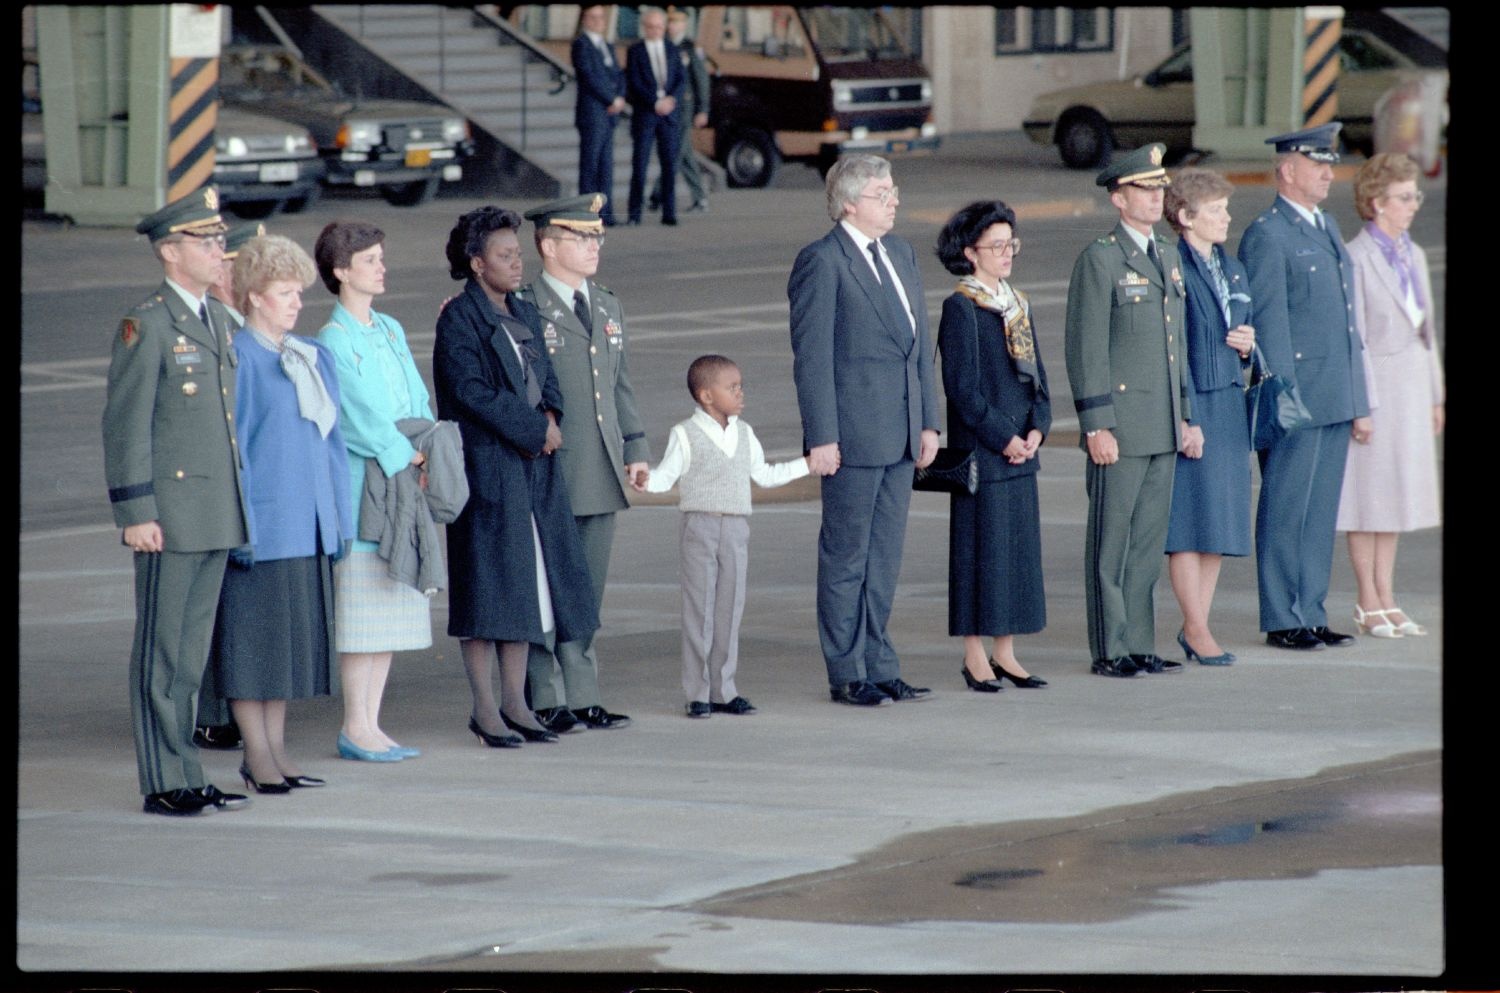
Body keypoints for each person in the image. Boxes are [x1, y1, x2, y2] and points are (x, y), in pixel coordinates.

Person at [103, 186, 252, 816]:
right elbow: (126, 425)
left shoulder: (217, 319)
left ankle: (187, 772)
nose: (221, 250)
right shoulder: (150, 324)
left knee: (190, 658)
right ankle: (163, 781)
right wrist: (136, 512)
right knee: (162, 654)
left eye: (220, 239)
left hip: (215, 511)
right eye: (207, 240)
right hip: (169, 514)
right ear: (170, 251)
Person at [435, 205, 601, 748]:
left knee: (526, 590)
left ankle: (515, 703)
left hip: (533, 467)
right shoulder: (460, 319)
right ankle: (484, 709)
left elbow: (547, 376)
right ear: (477, 263)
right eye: (504, 256)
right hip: (490, 470)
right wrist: (533, 429)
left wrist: (550, 418)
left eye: (518, 254)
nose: (516, 264)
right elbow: (469, 392)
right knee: (487, 592)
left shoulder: (524, 311)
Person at [787, 153, 940, 706]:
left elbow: (919, 349)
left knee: (884, 557)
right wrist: (821, 436)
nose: (893, 199)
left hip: (900, 432)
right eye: (882, 193)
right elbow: (813, 359)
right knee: (847, 556)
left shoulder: (899, 252)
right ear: (849, 202)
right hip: (852, 435)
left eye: (894, 190)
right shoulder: (823, 262)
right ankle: (847, 670)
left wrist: (929, 422)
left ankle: (879, 661)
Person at [210, 233, 352, 794]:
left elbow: (332, 444)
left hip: (309, 524)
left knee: (287, 651)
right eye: (284, 292)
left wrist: (337, 518)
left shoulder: (311, 354)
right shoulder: (238, 357)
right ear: (253, 297)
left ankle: (276, 750)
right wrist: (240, 526)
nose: (296, 302)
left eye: (298, 292)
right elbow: (234, 451)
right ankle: (257, 753)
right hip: (265, 527)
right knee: (253, 649)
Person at [1238, 123, 1372, 651]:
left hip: (1334, 391)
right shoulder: (1268, 234)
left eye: (1329, 163)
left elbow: (1346, 322)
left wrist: (1358, 397)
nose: (1327, 172)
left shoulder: (1325, 225)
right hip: (1298, 397)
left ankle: (1310, 609)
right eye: (1316, 163)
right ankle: (1281, 615)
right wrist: (1282, 399)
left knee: (1319, 512)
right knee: (1286, 506)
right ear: (1287, 170)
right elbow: (1271, 327)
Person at [1064, 143, 1192, 679]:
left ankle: (1140, 641)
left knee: (1146, 543)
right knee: (1111, 542)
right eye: (1146, 187)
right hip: (1121, 425)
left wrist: (1185, 415)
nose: (1157, 195)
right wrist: (1097, 424)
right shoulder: (1100, 259)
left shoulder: (1167, 252)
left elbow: (1174, 344)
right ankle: (1111, 646)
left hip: (1161, 424)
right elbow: (1086, 348)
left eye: (1161, 186)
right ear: (1119, 198)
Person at [519, 194, 645, 733]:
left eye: (597, 237)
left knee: (587, 590)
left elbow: (620, 386)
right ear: (548, 245)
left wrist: (635, 448)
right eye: (580, 238)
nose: (593, 247)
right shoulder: (525, 306)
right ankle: (545, 695)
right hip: (551, 470)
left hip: (601, 468)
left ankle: (585, 693)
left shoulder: (608, 303)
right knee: (548, 587)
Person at [315, 220, 435, 762]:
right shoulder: (331, 340)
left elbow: (416, 393)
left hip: (404, 475)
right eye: (370, 260)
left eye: (381, 258)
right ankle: (354, 725)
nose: (381, 268)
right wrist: (403, 451)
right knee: (363, 608)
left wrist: (426, 439)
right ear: (341, 272)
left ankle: (372, 724)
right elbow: (356, 416)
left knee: (388, 610)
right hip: (366, 485)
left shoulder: (388, 327)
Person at [637, 354, 811, 717]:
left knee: (730, 608)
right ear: (706, 396)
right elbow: (665, 477)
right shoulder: (684, 434)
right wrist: (644, 480)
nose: (740, 393)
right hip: (699, 525)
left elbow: (764, 474)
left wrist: (807, 465)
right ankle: (697, 692)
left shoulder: (744, 433)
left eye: (740, 386)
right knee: (699, 611)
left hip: (735, 528)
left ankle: (724, 689)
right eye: (732, 387)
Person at [934, 200, 1052, 693]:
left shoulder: (1016, 303)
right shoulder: (961, 307)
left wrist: (1037, 428)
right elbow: (961, 390)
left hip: (1020, 450)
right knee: (979, 554)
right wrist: (1004, 437)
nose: (1007, 254)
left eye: (1011, 245)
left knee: (1016, 556)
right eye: (996, 246)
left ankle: (1006, 653)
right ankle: (974, 654)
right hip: (984, 452)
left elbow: (1038, 380)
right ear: (971, 252)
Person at [1336, 152, 1443, 638]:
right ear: (1377, 203)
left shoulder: (1413, 254)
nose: (1413, 205)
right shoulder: (1356, 258)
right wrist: (1362, 404)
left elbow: (1429, 332)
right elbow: (1353, 337)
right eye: (1404, 198)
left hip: (1412, 387)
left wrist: (1435, 395)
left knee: (1397, 494)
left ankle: (1389, 595)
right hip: (1378, 390)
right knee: (1368, 497)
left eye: (1415, 196)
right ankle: (1367, 599)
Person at [1162, 169, 1257, 666]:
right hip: (1193, 400)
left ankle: (1198, 621)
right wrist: (1183, 417)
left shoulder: (1231, 266)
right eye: (1215, 209)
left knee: (1218, 519)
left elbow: (1242, 325)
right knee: (1189, 521)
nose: (1226, 217)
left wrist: (1247, 345)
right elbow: (1169, 349)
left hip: (1228, 401)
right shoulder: (1171, 266)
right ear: (1184, 217)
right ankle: (1196, 628)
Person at [193, 219, 264, 753]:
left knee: (238, 604)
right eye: (243, 264)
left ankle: (231, 704)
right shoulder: (213, 324)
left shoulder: (245, 323)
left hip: (252, 486)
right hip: (216, 486)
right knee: (212, 604)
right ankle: (212, 711)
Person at [624, 7, 685, 226]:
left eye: (660, 26)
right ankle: (634, 213)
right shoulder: (635, 51)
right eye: (651, 27)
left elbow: (680, 79)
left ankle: (669, 213)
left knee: (669, 165)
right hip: (646, 115)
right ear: (645, 27)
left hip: (669, 116)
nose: (656, 30)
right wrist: (654, 102)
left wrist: (671, 100)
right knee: (639, 165)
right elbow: (634, 83)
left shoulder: (671, 49)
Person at [648, 8, 710, 215]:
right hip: (667, 107)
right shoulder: (664, 46)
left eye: (676, 23)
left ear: (684, 25)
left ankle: (657, 195)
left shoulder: (691, 48)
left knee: (675, 152)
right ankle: (700, 197)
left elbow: (701, 80)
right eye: (670, 22)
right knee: (683, 154)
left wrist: (703, 109)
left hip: (685, 108)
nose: (672, 26)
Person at [571, 4, 625, 226]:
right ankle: (588, 214)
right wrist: (610, 99)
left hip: (609, 114)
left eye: (601, 17)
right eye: (593, 17)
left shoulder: (607, 45)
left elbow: (618, 74)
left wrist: (620, 97)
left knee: (606, 166)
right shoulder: (581, 45)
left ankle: (606, 214)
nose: (598, 22)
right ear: (584, 20)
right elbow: (589, 77)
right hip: (592, 113)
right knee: (590, 165)